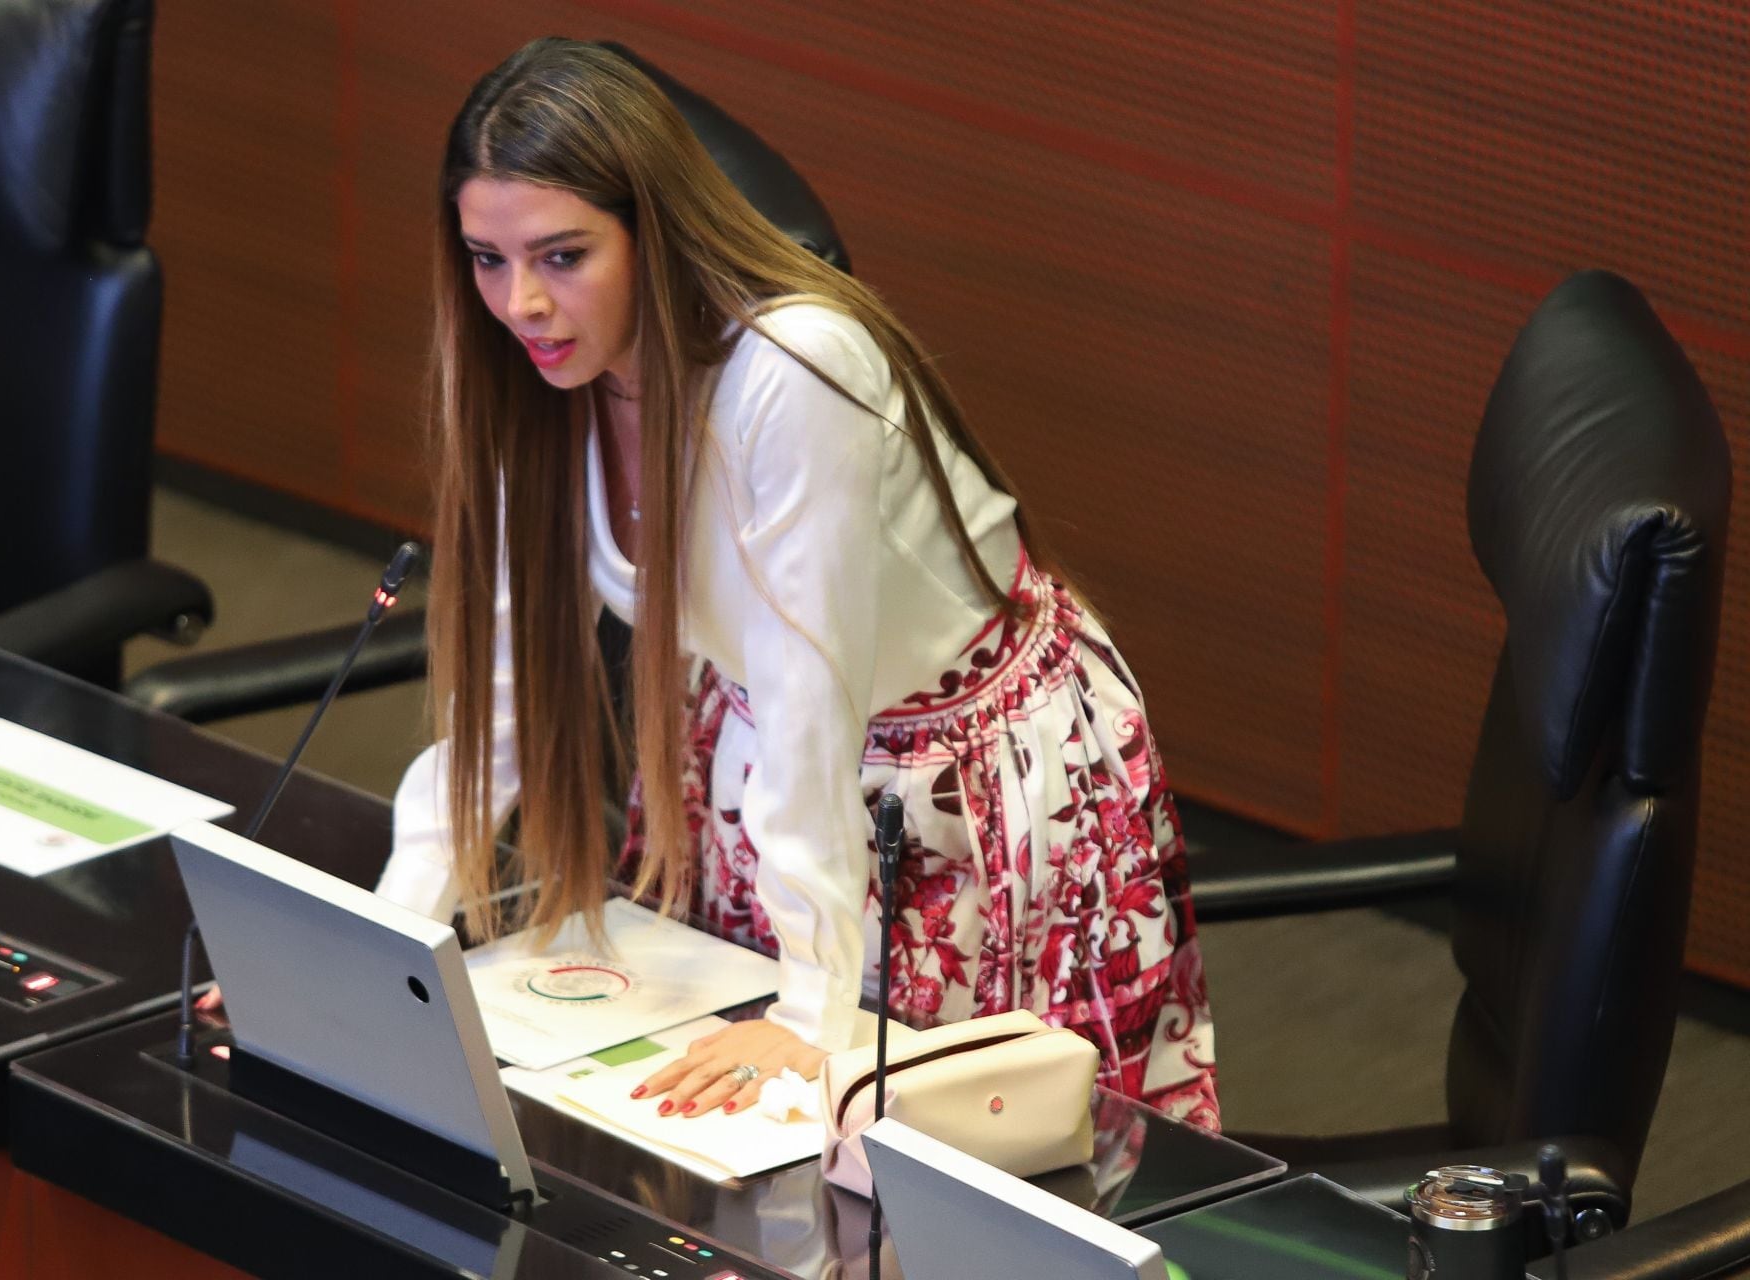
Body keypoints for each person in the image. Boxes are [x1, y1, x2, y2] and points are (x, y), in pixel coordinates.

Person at [377, 36, 1220, 1130]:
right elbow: (499, 701)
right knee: (739, 1147)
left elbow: (813, 687)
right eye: (488, 260)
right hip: (769, 761)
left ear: (656, 229)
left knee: (981, 1172)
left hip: (972, 776)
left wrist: (812, 999)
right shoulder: (535, 381)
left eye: (562, 255)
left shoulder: (799, 364)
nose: (521, 301)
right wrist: (389, 948)